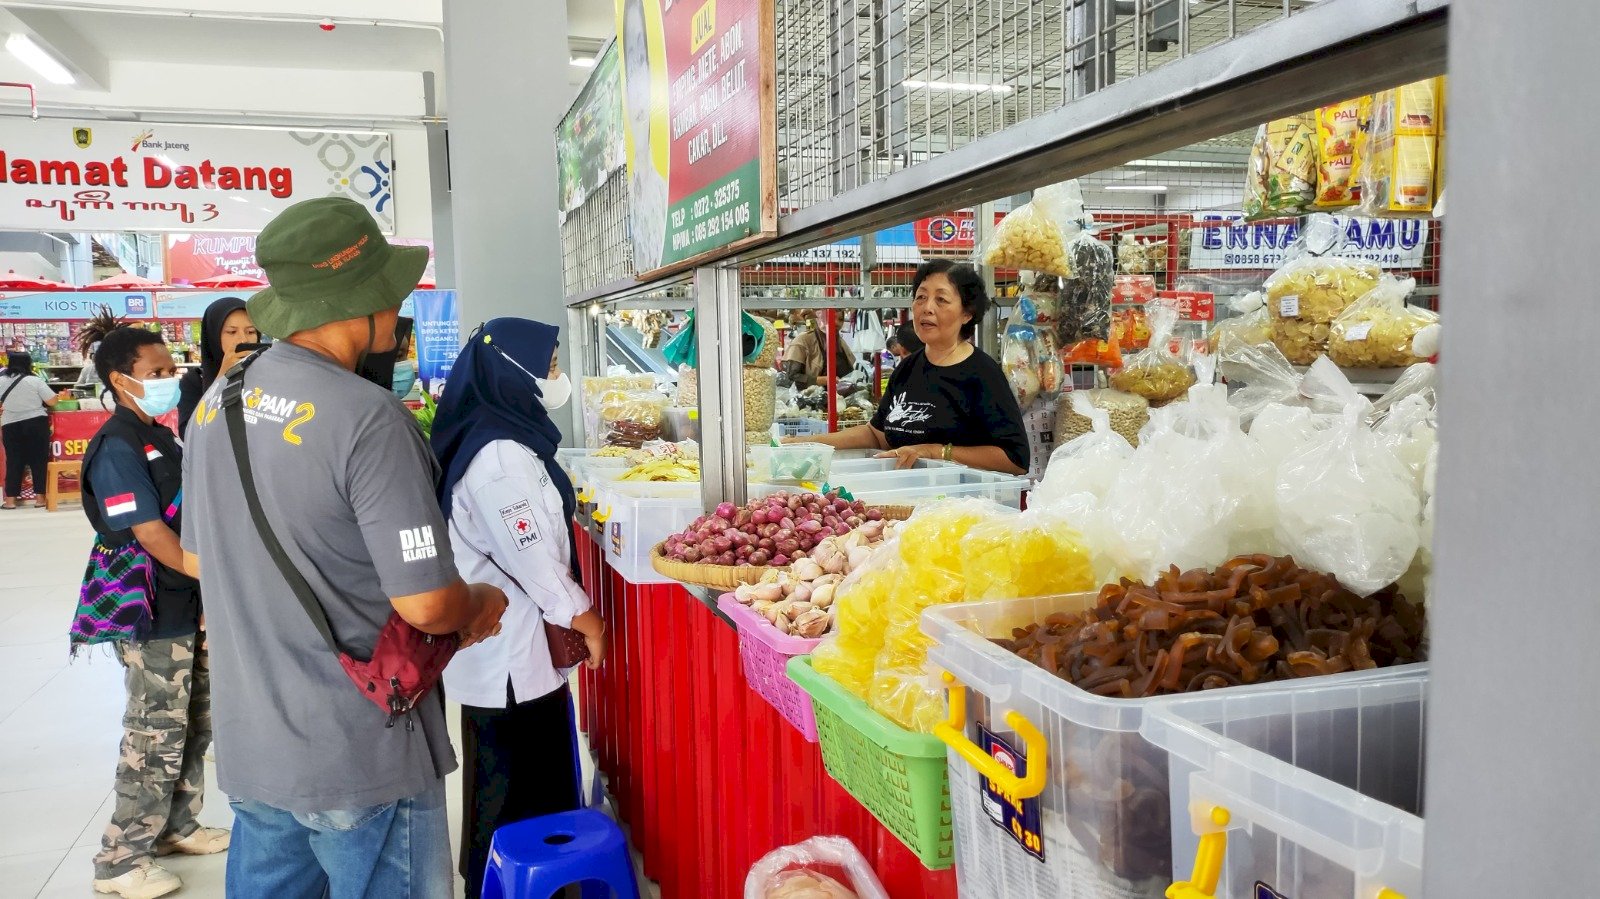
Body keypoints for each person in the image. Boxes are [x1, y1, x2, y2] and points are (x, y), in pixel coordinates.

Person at [179, 197, 508, 899]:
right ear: (358, 305)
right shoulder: (368, 418)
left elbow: (205, 560)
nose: (397, 311)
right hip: (360, 753)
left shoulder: (215, 405)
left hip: (254, 746)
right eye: (390, 294)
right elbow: (425, 603)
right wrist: (481, 601)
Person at [430, 318, 609, 899]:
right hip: (510, 652)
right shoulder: (499, 457)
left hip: (506, 649)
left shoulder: (496, 436)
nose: (554, 377)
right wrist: (586, 619)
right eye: (549, 364)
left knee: (508, 778)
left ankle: (508, 881)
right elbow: (530, 556)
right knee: (515, 785)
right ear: (513, 369)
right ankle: (516, 885)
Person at [71, 316, 225, 899]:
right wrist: (218, 578)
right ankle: (119, 860)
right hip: (152, 608)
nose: (168, 379)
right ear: (119, 378)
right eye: (155, 372)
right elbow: (152, 535)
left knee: (192, 723)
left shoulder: (162, 435)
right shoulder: (117, 446)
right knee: (153, 734)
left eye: (170, 369)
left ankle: (174, 828)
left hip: (188, 602)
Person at [786, 261, 1029, 474]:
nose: (927, 307)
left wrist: (935, 451)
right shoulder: (907, 368)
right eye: (921, 297)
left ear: (967, 313)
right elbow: (877, 434)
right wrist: (813, 443)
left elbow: (1015, 459)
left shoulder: (982, 374)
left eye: (941, 299)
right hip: (908, 507)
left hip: (962, 512)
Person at [177, 297, 259, 437]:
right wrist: (222, 377)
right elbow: (189, 434)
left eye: (251, 332)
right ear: (213, 336)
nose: (243, 339)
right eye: (231, 332)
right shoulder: (194, 381)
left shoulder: (266, 374)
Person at [0, 350, 62, 509]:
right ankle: (40, 499)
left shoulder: (1, 381)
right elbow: (52, 400)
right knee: (38, 461)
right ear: (28, 364)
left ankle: (10, 501)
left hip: (10, 424)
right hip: (36, 423)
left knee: (14, 461)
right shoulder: (35, 381)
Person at [782, 311, 856, 388]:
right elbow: (791, 377)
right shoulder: (803, 340)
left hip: (841, 397)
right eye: (831, 318)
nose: (837, 323)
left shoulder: (840, 342)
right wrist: (822, 380)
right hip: (812, 397)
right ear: (820, 319)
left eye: (840, 319)